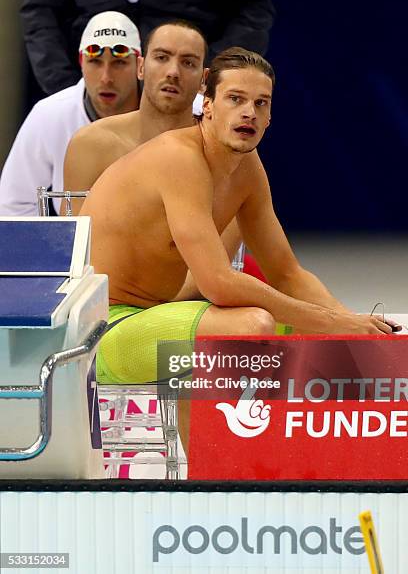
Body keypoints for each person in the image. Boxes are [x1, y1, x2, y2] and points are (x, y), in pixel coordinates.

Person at [80, 47, 399, 396]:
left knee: (305, 331)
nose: (249, 112)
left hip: (159, 316)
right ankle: (219, 450)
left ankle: (295, 448)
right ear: (208, 105)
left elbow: (286, 273)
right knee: (253, 324)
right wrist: (334, 322)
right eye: (235, 99)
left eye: (260, 103)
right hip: (100, 333)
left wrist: (353, 326)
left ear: (270, 116)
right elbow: (218, 283)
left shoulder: (246, 168)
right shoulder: (179, 158)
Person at [21, 0, 275, 95]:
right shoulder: (59, 114)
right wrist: (68, 89)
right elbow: (41, 12)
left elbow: (252, 12)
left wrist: (203, 78)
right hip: (90, 97)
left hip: (188, 104)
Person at [0, 11, 141, 216]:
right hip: (73, 242)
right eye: (95, 62)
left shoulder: (171, 110)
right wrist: (52, 247)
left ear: (140, 65)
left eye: (119, 63)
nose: (106, 78)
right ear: (81, 62)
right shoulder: (50, 115)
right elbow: (12, 205)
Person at [64, 19, 207, 214]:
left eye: (188, 62)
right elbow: (72, 240)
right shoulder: (90, 145)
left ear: (203, 80)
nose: (173, 72)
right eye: (162, 58)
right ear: (140, 68)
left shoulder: (222, 150)